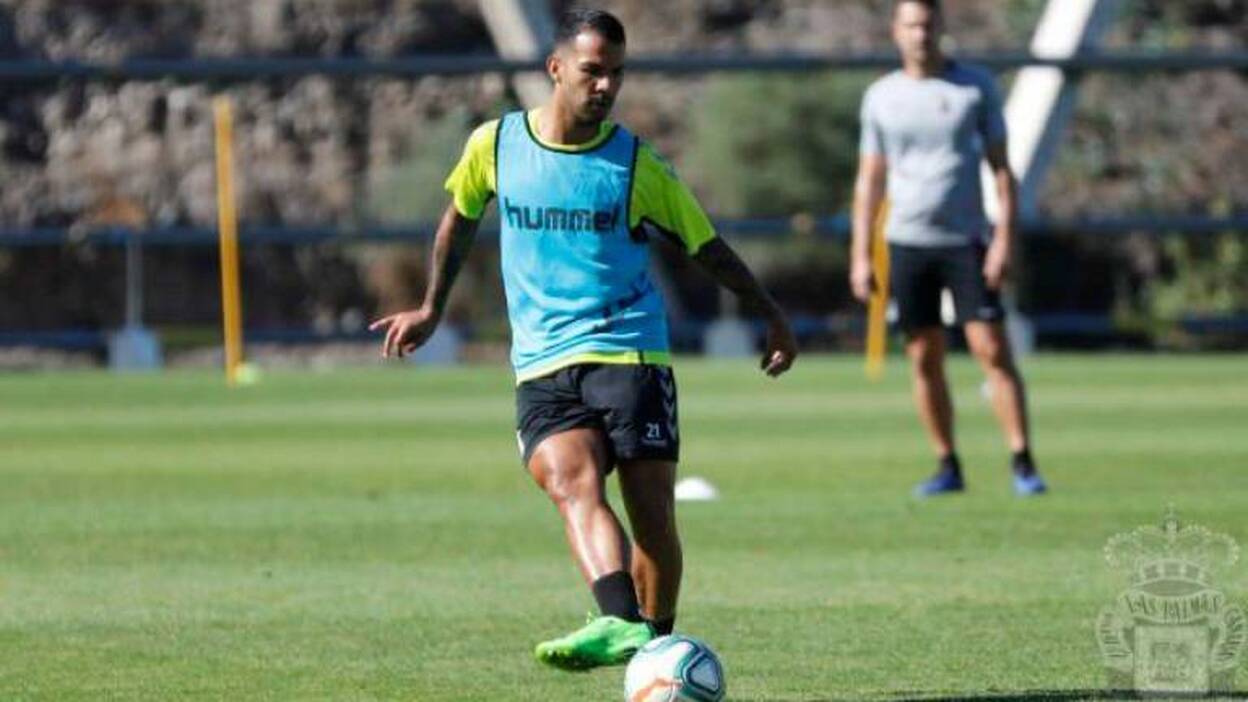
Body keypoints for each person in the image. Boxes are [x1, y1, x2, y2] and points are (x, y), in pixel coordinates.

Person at [370, 8, 797, 670]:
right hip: (543, 363)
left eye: (617, 74)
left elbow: (703, 245)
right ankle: (626, 626)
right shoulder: (496, 144)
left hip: (630, 355)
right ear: (556, 69)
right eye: (593, 71)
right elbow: (457, 220)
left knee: (652, 516)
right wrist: (431, 307)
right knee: (571, 484)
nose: (606, 86)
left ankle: (652, 647)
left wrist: (767, 309)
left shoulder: (635, 164)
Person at [849, 0, 1047, 497]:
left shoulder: (973, 88)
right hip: (907, 242)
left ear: (942, 28)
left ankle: (1022, 461)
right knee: (923, 356)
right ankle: (947, 464)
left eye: (929, 24)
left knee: (991, 348)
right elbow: (870, 180)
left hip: (967, 240)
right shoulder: (881, 97)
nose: (921, 34)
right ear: (896, 32)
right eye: (912, 25)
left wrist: (1004, 238)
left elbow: (1003, 171)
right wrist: (859, 253)